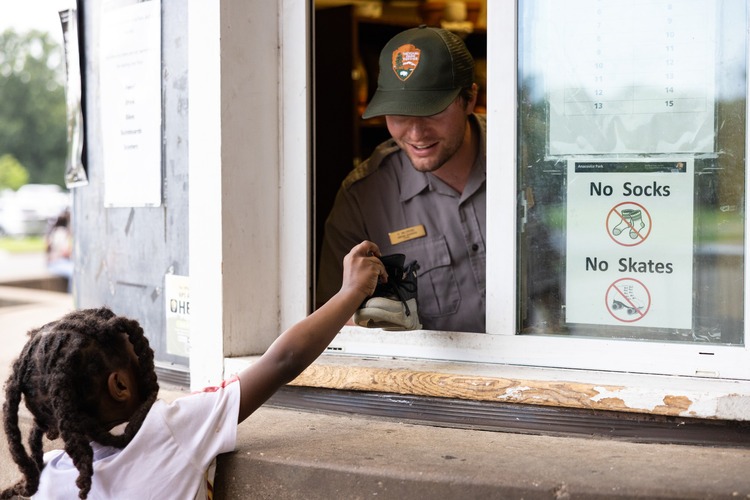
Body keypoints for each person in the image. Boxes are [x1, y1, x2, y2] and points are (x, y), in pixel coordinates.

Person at [1, 241, 386, 500]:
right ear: (120, 385)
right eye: (138, 359)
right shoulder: (173, 430)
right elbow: (282, 362)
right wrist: (350, 293)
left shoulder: (47, 480)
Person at [317, 26, 486, 333]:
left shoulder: (531, 162)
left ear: (470, 98)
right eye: (399, 115)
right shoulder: (362, 199)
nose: (416, 134)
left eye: (433, 112)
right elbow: (336, 333)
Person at [45, 208, 73, 292]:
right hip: (57, 262)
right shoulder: (61, 233)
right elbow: (65, 252)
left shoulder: (54, 232)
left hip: (55, 262)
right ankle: (71, 295)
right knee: (74, 272)